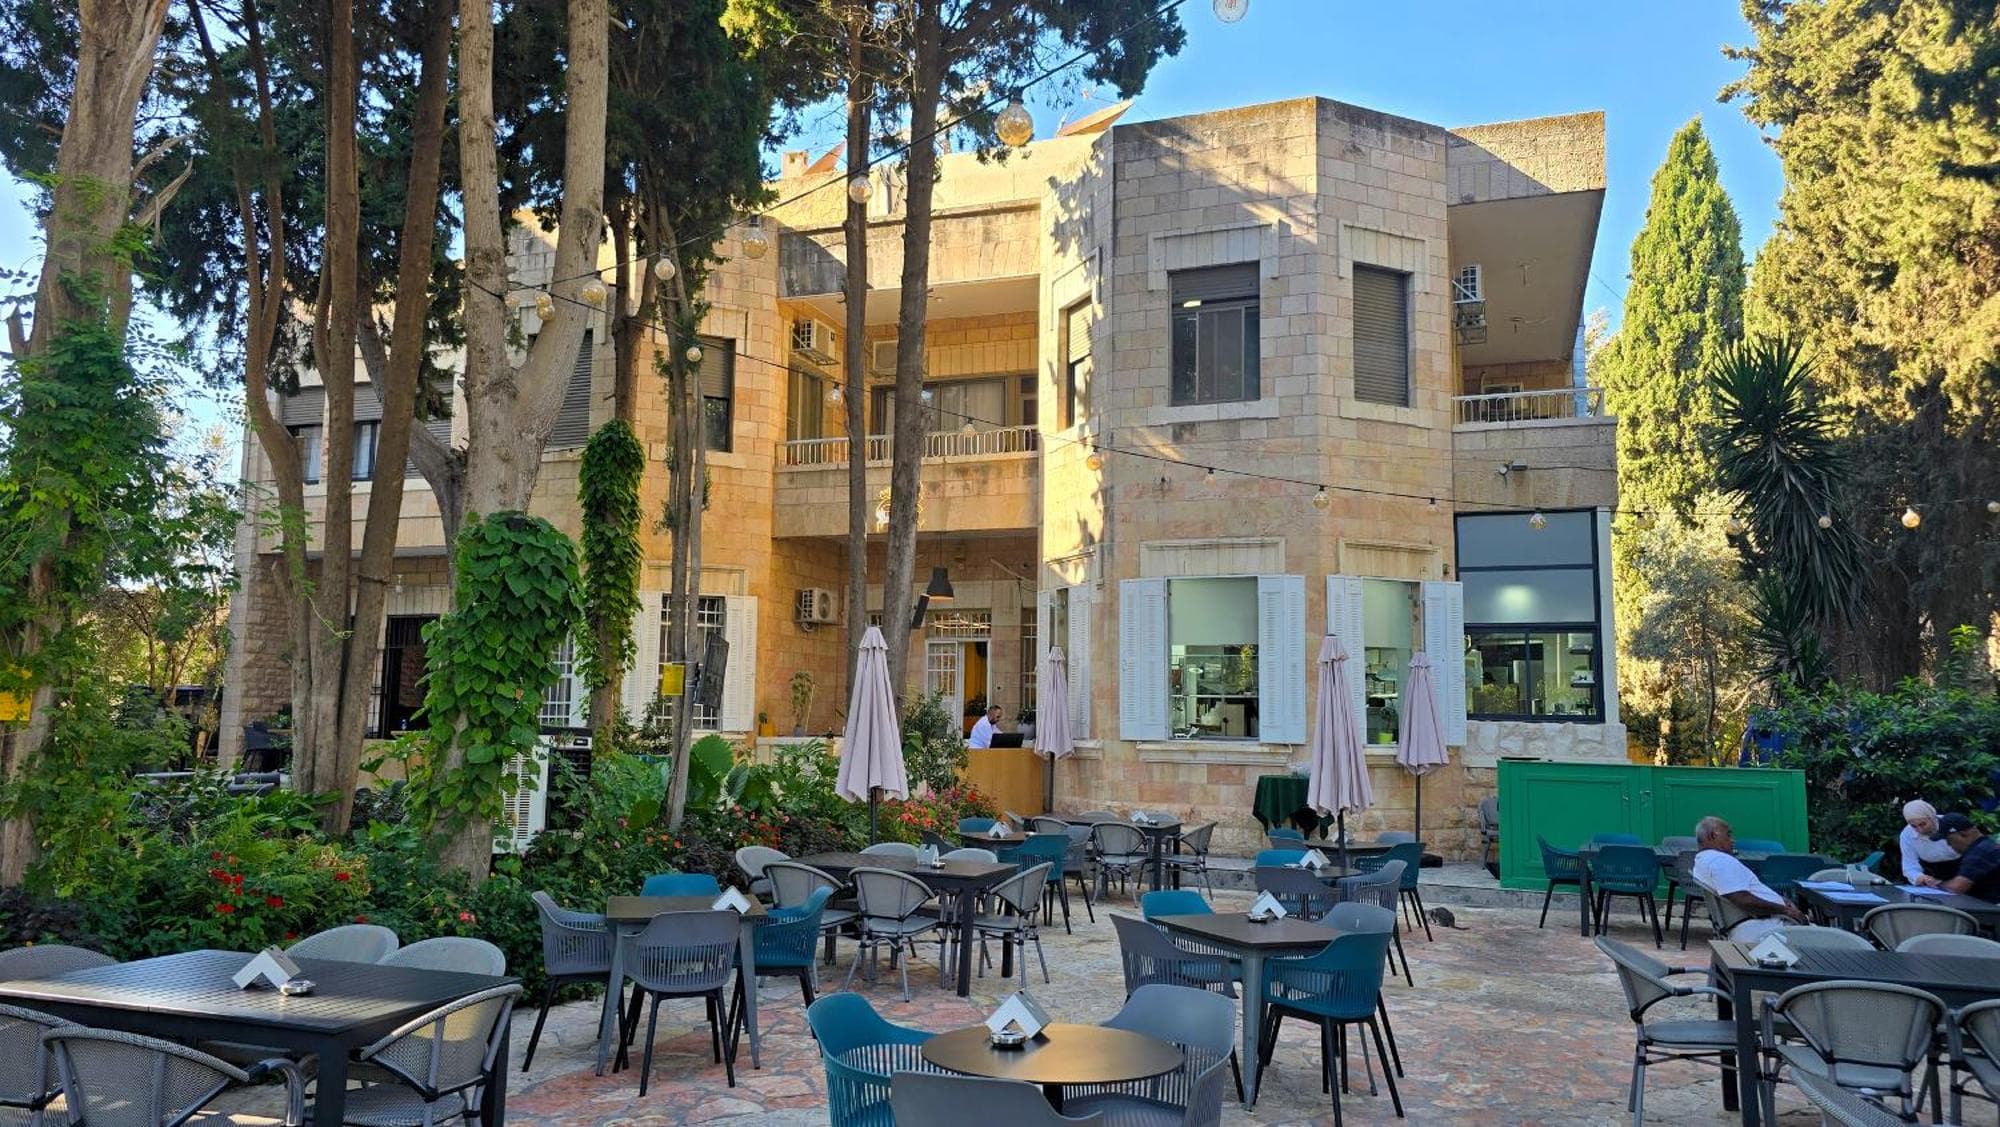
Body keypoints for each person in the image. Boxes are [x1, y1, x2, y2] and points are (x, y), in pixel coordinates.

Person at [1691, 815, 1807, 940]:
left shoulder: (1703, 859)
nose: (1732, 840)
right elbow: (1743, 900)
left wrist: (1781, 902)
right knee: (1822, 937)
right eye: (1728, 835)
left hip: (1762, 924)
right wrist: (1785, 910)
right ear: (1712, 836)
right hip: (1766, 928)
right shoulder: (1719, 862)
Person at [1933, 814, 2000, 902]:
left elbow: (1956, 888)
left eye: (1949, 840)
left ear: (1963, 834)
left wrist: (1935, 884)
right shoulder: (1987, 846)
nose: (1949, 845)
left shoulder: (1980, 852)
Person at [1898, 799, 1961, 886]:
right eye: (1914, 826)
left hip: (1964, 872)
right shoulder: (1907, 834)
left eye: (1923, 824)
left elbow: (1973, 851)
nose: (1919, 830)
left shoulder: (1953, 824)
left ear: (1932, 818)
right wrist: (1920, 877)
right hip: (1934, 879)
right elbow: (1910, 866)